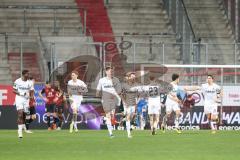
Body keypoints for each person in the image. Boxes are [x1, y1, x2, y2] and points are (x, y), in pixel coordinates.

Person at [96, 66, 121, 138]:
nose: (111, 73)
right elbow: (98, 89)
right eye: (110, 71)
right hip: (105, 99)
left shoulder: (116, 80)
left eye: (112, 71)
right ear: (106, 72)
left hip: (114, 99)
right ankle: (110, 133)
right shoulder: (101, 80)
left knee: (112, 115)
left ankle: (110, 121)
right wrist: (99, 94)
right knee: (108, 115)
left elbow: (119, 90)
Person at [13, 70, 34, 138]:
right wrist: (22, 93)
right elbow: (14, 90)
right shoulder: (17, 81)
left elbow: (32, 91)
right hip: (19, 98)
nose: (28, 75)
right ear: (24, 74)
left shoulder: (30, 82)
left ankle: (24, 126)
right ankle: (20, 132)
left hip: (26, 100)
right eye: (27, 74)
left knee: (25, 115)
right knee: (20, 114)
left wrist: (31, 97)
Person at [121, 72, 139, 138]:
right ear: (129, 78)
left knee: (132, 117)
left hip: (134, 104)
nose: (133, 78)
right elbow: (121, 94)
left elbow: (137, 95)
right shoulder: (124, 85)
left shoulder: (136, 85)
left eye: (134, 77)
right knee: (128, 117)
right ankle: (129, 134)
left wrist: (136, 104)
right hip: (127, 104)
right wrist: (124, 102)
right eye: (132, 77)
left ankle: (123, 120)